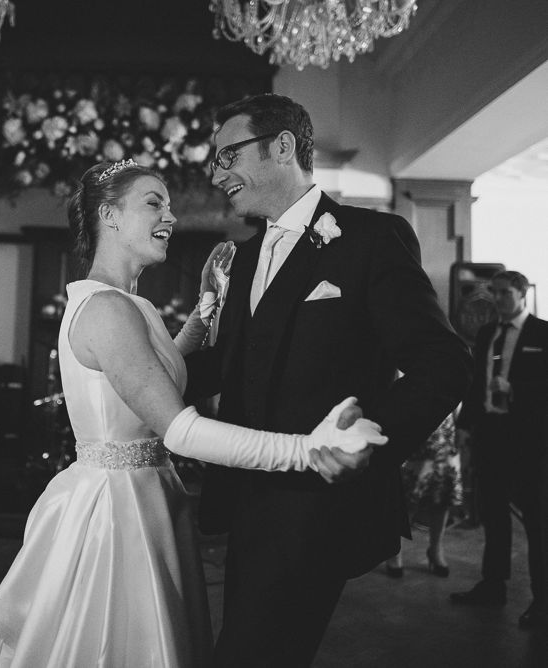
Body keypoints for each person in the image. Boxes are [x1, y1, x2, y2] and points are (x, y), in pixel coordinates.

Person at [0, 160, 389, 668]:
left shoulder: (134, 306)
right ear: (108, 215)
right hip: (118, 509)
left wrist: (205, 306)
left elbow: (166, 370)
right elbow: (178, 427)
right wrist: (306, 449)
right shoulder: (106, 310)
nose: (170, 216)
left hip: (150, 496)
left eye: (169, 205)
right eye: (154, 202)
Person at [182, 93, 473, 667]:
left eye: (228, 156)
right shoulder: (237, 259)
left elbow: (443, 361)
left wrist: (367, 436)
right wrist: (133, 384)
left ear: (283, 146)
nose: (218, 175)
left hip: (316, 507)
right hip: (246, 498)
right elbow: (228, 364)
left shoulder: (370, 239)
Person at [451, 270, 548, 630]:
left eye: (505, 293)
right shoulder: (488, 333)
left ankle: (543, 600)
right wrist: (463, 427)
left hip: (530, 441)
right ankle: (493, 585)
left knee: (537, 522)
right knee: (492, 513)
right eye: (495, 293)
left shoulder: (543, 333)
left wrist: (515, 388)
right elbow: (476, 385)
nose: (499, 299)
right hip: (491, 436)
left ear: (522, 294)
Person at [385, 412, 463, 578]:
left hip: (445, 429)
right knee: (407, 495)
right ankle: (394, 550)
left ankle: (436, 549)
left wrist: (461, 424)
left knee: (442, 492)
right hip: (412, 424)